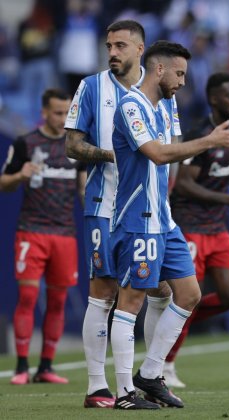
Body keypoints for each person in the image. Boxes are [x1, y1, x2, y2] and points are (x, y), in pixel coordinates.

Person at [110, 40, 229, 410]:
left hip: (165, 220)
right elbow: (157, 153)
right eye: (180, 73)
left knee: (188, 293)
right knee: (132, 300)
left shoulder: (168, 105)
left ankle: (151, 374)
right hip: (137, 219)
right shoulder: (130, 105)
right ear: (159, 69)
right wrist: (208, 142)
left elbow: (173, 153)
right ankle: (123, 394)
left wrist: (202, 146)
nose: (183, 82)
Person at [64, 20, 175, 409]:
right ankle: (98, 387)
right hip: (103, 205)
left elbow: (170, 148)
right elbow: (72, 144)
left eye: (121, 46)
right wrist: (113, 153)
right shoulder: (91, 87)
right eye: (109, 46)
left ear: (141, 49)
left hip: (147, 209)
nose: (113, 52)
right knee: (103, 294)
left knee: (161, 290)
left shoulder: (163, 88)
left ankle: (149, 375)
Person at [166, 72, 229, 388]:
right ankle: (166, 364)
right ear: (214, 99)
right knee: (188, 299)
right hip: (191, 226)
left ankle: (170, 325)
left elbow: (228, 170)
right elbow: (184, 185)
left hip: (217, 228)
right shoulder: (201, 135)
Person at [0, 88, 86, 385]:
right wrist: (19, 176)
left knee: (58, 301)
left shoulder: (77, 146)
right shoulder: (26, 143)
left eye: (67, 113)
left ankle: (46, 367)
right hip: (32, 230)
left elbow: (83, 189)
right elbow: (4, 183)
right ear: (44, 113)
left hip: (65, 234)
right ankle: (22, 366)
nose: (63, 119)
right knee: (27, 295)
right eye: (58, 113)